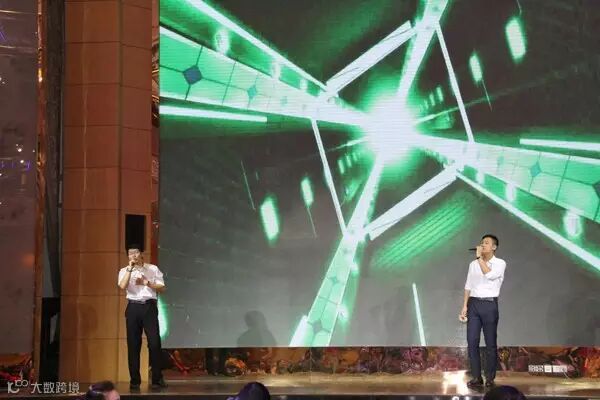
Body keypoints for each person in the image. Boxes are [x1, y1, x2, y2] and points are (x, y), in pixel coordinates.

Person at [117, 244, 167, 390]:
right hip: (133, 307)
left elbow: (162, 288)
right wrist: (130, 269)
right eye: (130, 254)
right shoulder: (124, 270)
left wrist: (147, 283)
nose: (133, 255)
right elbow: (122, 286)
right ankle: (134, 381)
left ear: (141, 254)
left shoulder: (152, 269)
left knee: (154, 343)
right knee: (133, 344)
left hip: (149, 307)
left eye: (135, 253)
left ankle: (157, 379)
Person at [460, 234, 506, 388]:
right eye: (482, 243)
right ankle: (476, 377)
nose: (482, 245)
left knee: (490, 342)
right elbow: (468, 285)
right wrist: (464, 306)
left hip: (489, 304)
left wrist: (480, 259)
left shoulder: (500, 263)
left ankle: (490, 378)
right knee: (472, 341)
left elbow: (490, 275)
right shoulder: (473, 264)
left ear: (494, 247)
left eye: (486, 243)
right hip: (473, 304)